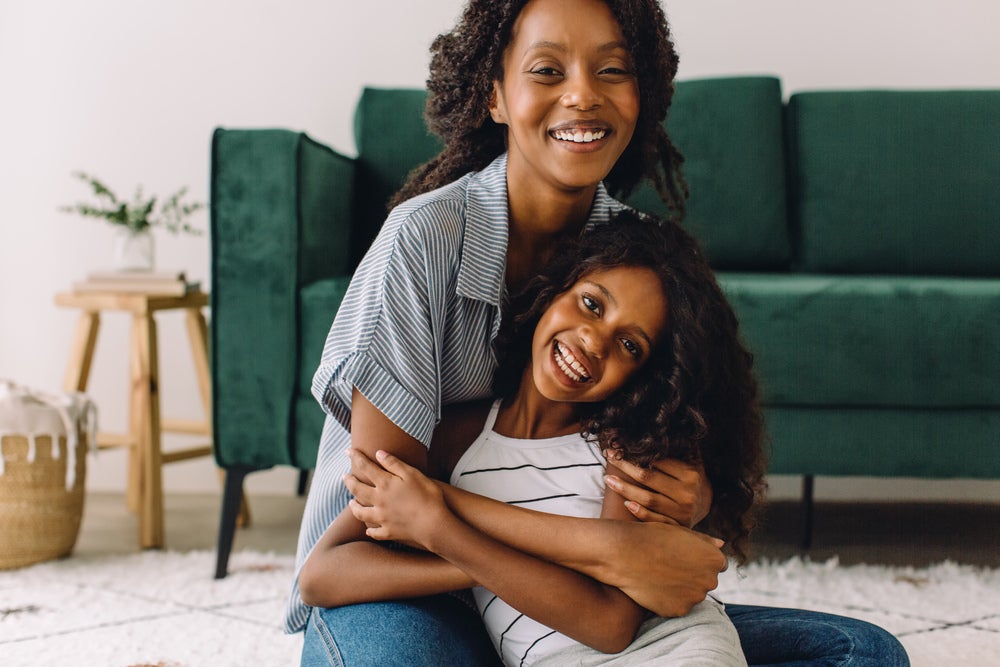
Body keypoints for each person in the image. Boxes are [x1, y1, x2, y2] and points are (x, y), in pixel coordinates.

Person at [290, 0, 910, 664]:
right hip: (407, 585)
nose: (583, 95)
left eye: (613, 69)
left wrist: (688, 499)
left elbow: (661, 440)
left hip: (567, 598)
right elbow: (392, 516)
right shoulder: (423, 241)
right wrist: (613, 552)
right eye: (547, 69)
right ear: (494, 94)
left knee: (859, 650)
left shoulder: (630, 263)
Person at [301, 213, 761, 666]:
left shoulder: (627, 447)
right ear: (552, 290)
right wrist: (466, 557)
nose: (594, 342)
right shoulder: (453, 439)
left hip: (676, 653)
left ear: (647, 374)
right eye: (592, 304)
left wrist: (440, 529)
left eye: (630, 346)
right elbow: (320, 576)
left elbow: (610, 626)